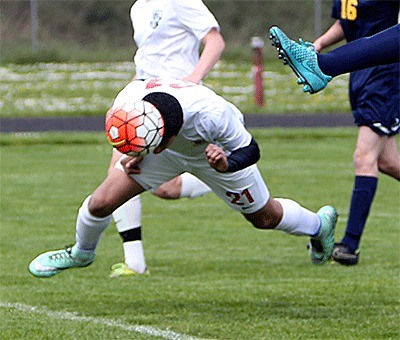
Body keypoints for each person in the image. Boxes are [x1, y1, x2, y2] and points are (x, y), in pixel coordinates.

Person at [28, 78, 338, 279]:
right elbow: (132, 131)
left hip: (215, 152)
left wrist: (226, 163)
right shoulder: (136, 100)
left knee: (265, 218)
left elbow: (252, 150)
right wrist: (137, 151)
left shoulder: (213, 116)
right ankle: (81, 254)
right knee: (101, 202)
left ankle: (318, 226)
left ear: (170, 136)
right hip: (169, 150)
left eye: (155, 144)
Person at [271, 2, 400, 265]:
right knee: (387, 162)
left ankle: (349, 245)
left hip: (384, 75)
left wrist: (325, 63)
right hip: (360, 70)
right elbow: (346, 22)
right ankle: (321, 65)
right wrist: (318, 46)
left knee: (364, 159)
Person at [109, 0, 225, 277]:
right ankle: (134, 263)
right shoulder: (138, 7)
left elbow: (215, 41)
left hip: (176, 101)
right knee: (145, 181)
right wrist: (128, 96)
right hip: (144, 99)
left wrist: (193, 79)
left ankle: (225, 174)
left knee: (142, 181)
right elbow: (148, 60)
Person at [268, 23, 400, 93]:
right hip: (360, 73)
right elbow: (343, 23)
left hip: (382, 77)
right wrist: (320, 43)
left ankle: (323, 65)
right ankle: (323, 65)